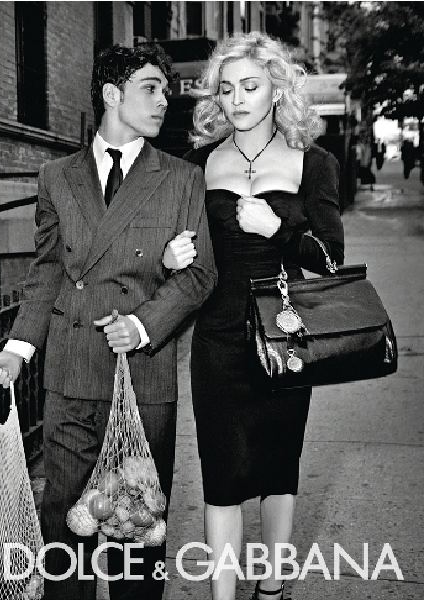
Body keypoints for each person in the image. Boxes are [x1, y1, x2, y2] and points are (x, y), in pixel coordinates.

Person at [0, 43, 217, 600]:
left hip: (143, 375)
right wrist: (19, 348)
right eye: (150, 88)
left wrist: (142, 325)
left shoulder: (182, 178)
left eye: (165, 90)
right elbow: (46, 272)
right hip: (71, 372)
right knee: (64, 522)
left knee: (139, 526)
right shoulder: (56, 176)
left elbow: (200, 275)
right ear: (112, 94)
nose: (163, 100)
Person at [177, 32, 345, 600]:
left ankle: (271, 588)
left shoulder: (313, 163)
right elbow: (187, 252)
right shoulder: (199, 165)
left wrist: (279, 229)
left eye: (250, 86)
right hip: (218, 337)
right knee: (220, 474)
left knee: (278, 466)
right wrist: (175, 255)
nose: (237, 99)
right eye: (226, 89)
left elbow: (330, 258)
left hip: (284, 335)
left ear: (277, 90)